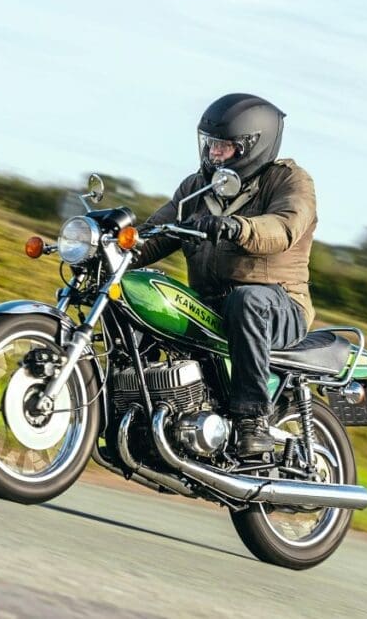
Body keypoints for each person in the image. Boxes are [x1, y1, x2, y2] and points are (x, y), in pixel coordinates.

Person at [133, 93, 317, 457]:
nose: (213, 153)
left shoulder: (289, 181)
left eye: (224, 146)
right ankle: (140, 406)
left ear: (253, 147)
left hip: (279, 305)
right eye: (210, 143)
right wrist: (109, 247)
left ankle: (252, 420)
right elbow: (154, 234)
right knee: (146, 293)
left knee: (246, 300)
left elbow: (284, 227)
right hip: (210, 304)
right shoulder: (197, 188)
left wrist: (237, 227)